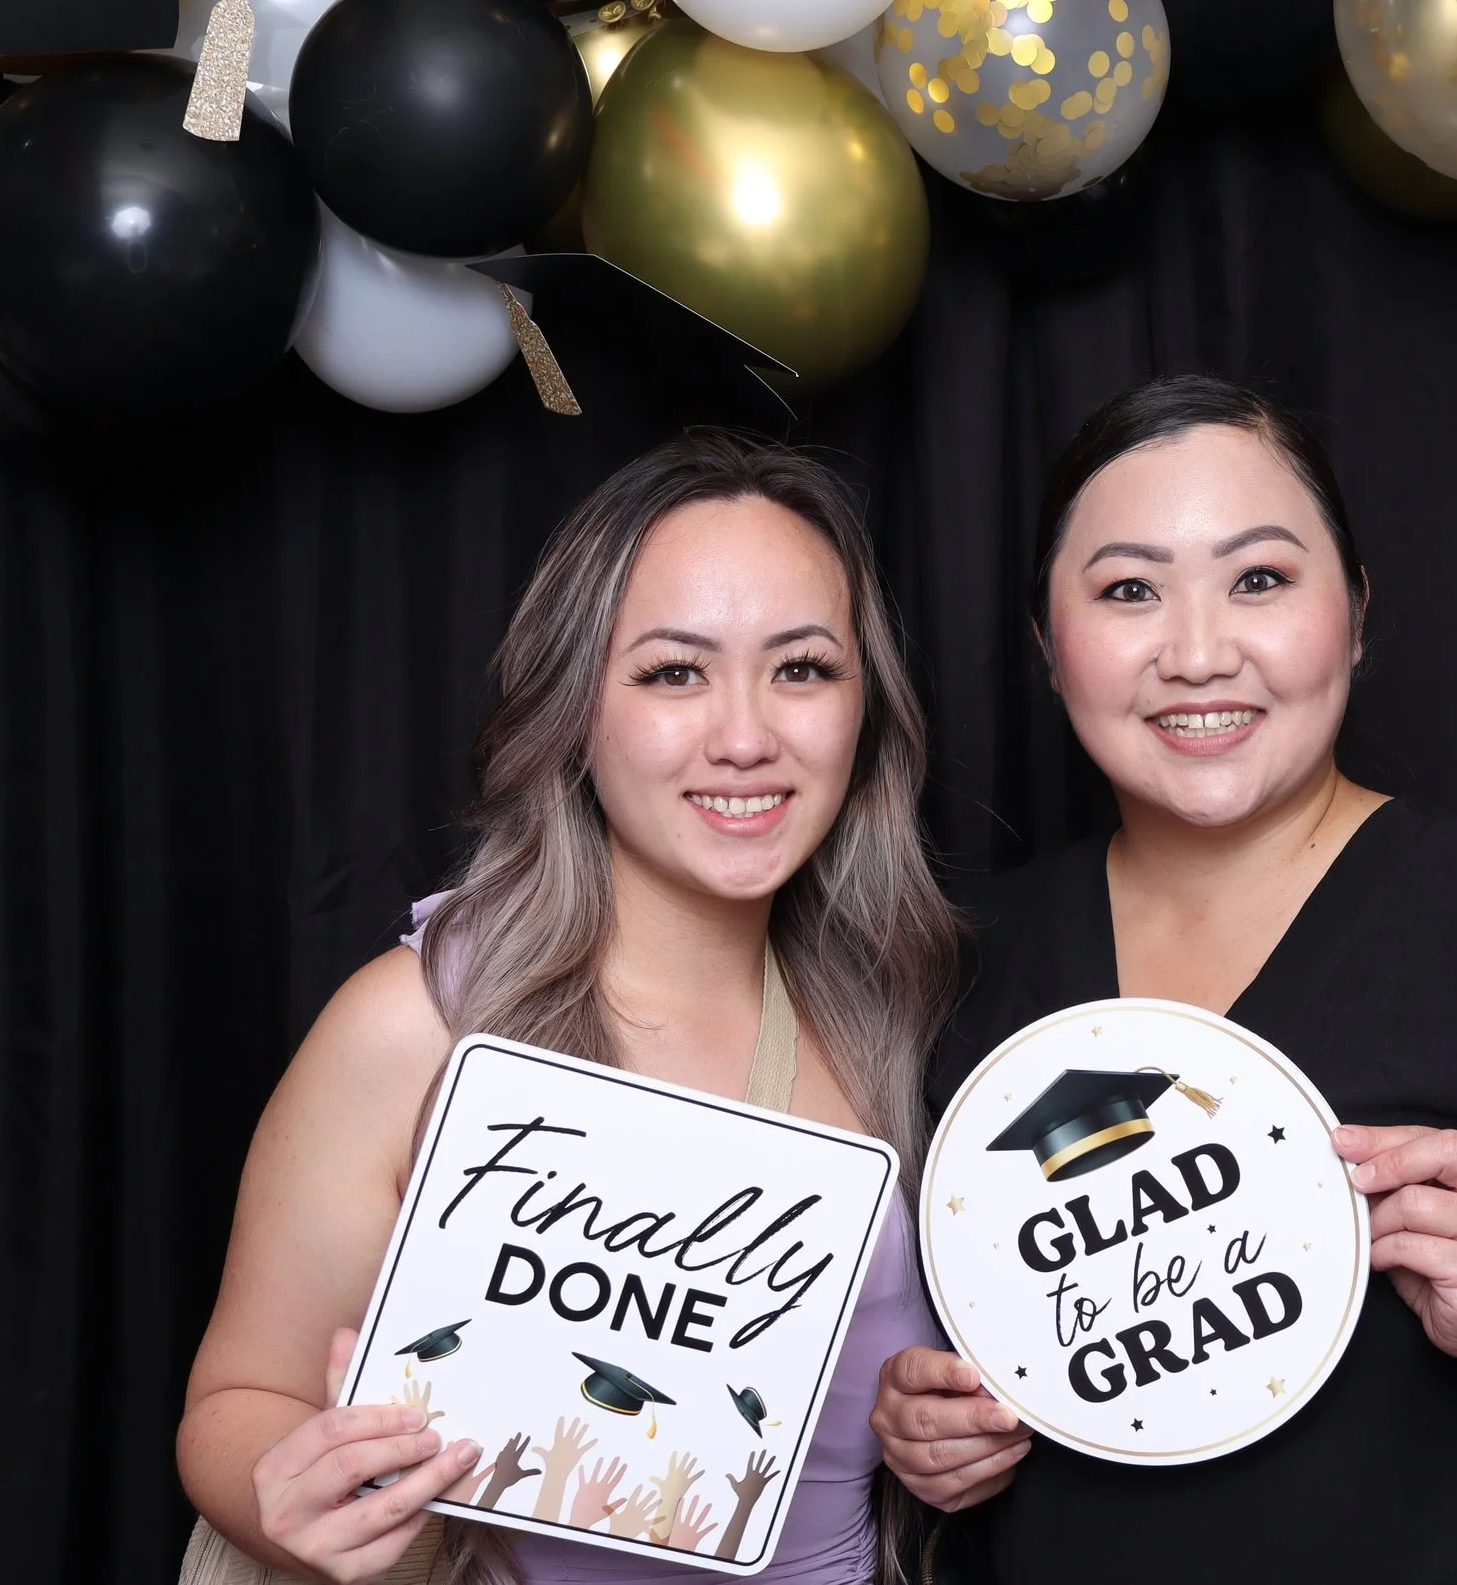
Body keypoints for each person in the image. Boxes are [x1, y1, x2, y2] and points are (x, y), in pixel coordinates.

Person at [869, 377, 1457, 1584]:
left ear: (1355, 614)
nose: (1198, 652)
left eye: (1259, 579)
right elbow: (933, 1339)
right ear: (1051, 649)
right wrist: (923, 1422)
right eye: (1127, 590)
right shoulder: (951, 960)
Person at [179, 433, 960, 1585]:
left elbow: (877, 1416)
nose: (744, 735)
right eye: (672, 671)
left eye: (800, 667)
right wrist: (287, 1488)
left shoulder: (904, 1019)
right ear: (576, 706)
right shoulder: (421, 1023)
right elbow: (237, 1400)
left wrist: (937, 1432)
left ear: (866, 708)